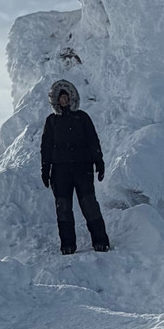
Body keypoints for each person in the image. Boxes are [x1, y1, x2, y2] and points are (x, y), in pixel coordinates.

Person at [40, 79, 111, 254]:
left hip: (82, 168)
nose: (64, 100)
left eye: (66, 97)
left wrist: (99, 162)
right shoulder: (51, 121)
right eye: (61, 97)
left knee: (89, 205)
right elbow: (46, 146)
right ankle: (68, 245)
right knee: (63, 207)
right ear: (56, 100)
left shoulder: (82, 117)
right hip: (60, 171)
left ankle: (101, 241)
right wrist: (45, 169)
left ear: (72, 98)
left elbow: (92, 140)